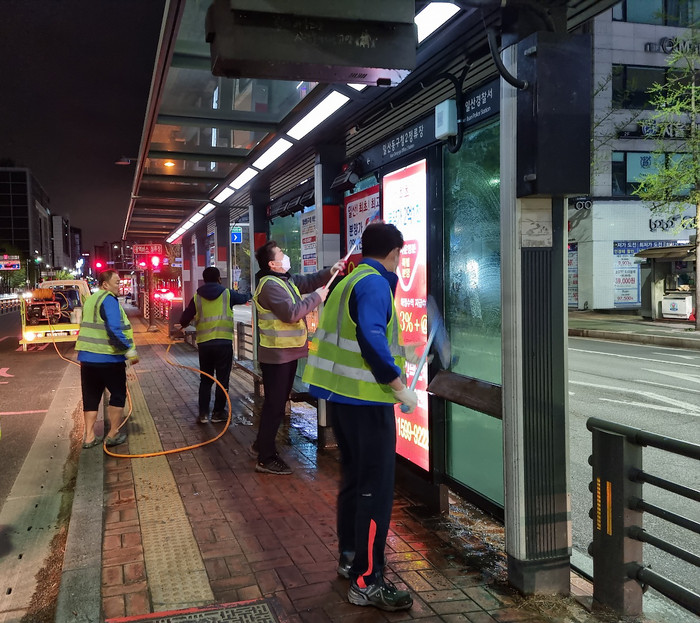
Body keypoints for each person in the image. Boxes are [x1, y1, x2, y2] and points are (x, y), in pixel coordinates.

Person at [302, 222, 417, 612]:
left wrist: (401, 357)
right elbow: (370, 337)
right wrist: (397, 385)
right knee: (374, 490)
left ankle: (351, 558)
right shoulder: (374, 284)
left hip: (343, 402)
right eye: (400, 256)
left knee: (354, 483)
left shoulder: (348, 282)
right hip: (368, 404)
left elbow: (355, 336)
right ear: (394, 253)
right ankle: (367, 582)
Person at [251, 240, 344, 475]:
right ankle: (265, 457)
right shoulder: (270, 285)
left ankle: (261, 444)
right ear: (272, 264)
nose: (285, 256)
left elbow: (308, 281)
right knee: (275, 405)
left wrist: (330, 271)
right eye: (281, 254)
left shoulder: (286, 280)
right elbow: (291, 313)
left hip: (286, 353)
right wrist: (317, 298)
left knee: (276, 402)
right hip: (277, 355)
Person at [178, 266, 251, 423]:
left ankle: (203, 414)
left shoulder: (197, 297)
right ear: (219, 279)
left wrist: (185, 323)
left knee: (206, 379)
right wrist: (250, 293)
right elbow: (244, 298)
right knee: (222, 379)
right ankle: (218, 413)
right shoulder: (227, 294)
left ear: (204, 280)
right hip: (223, 343)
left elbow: (184, 319)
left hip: (205, 345)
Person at [75, 270, 138, 449]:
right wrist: (129, 351)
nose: (119, 285)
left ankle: (89, 437)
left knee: (91, 396)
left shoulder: (90, 300)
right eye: (116, 282)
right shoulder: (109, 300)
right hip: (109, 359)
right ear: (105, 284)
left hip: (87, 359)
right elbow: (114, 329)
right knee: (118, 394)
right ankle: (112, 434)